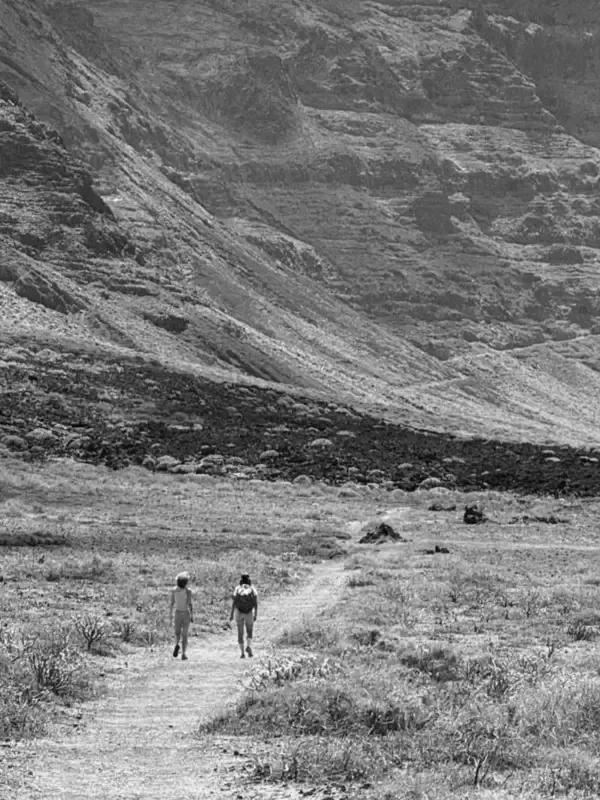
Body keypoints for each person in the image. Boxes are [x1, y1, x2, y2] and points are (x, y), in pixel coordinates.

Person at [230, 573, 258, 658]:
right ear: (249, 580)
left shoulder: (238, 588)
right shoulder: (252, 589)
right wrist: (255, 614)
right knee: (249, 631)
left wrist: (231, 614)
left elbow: (234, 601)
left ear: (241, 581)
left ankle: (242, 653)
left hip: (239, 612)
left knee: (240, 632)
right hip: (249, 612)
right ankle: (248, 646)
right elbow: (255, 603)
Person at [169, 572, 193, 660]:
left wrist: (170, 615)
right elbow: (189, 604)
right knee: (185, 634)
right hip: (185, 613)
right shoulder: (188, 591)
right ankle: (183, 653)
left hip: (177, 612)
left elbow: (172, 603)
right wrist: (192, 615)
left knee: (177, 633)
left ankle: (176, 644)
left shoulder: (174, 590)